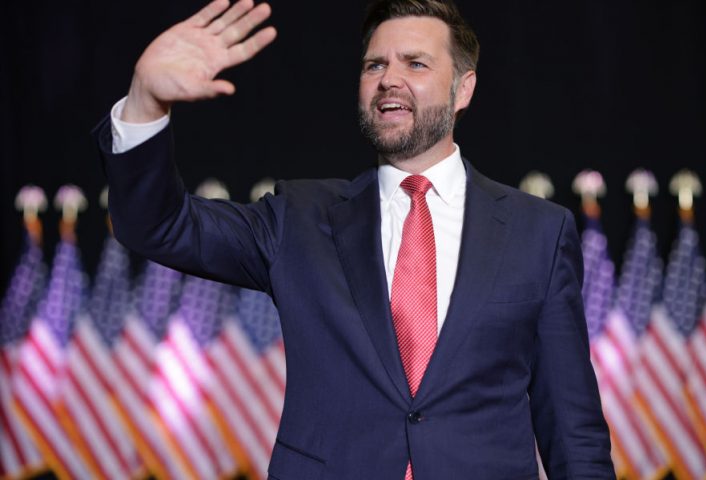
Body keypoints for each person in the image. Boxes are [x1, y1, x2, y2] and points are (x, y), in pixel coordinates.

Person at [96, 0, 614, 478]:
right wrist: (145, 101)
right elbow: (158, 227)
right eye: (374, 65)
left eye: (415, 63)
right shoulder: (298, 219)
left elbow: (572, 427)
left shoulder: (539, 232)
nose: (389, 79)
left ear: (464, 89)